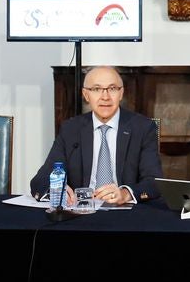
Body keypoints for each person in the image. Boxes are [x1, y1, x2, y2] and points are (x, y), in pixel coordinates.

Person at [30, 65, 162, 205]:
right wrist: (56, 190)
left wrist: (126, 194)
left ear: (121, 93)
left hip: (124, 213)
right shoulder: (71, 129)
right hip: (81, 213)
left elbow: (154, 181)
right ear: (86, 95)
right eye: (96, 89)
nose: (105, 97)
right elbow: (41, 179)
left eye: (112, 89)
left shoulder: (142, 128)